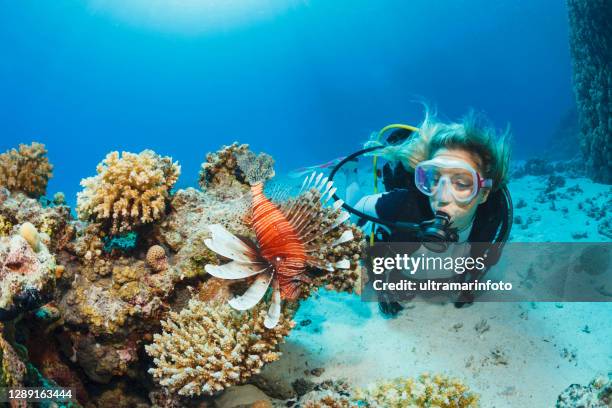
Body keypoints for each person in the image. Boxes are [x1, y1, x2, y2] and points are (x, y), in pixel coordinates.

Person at [345, 109, 513, 315]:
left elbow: (487, 257)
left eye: (460, 183)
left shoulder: (494, 214)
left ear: (484, 193)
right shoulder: (403, 204)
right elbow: (360, 205)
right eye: (434, 180)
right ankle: (350, 172)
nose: (441, 196)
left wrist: (468, 287)